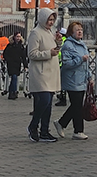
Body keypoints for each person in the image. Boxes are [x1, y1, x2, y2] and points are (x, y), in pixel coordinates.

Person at [54, 21, 92, 140]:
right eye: (77, 30)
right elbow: (66, 63)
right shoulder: (68, 45)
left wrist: (89, 77)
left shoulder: (83, 45)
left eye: (81, 29)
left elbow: (86, 64)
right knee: (77, 105)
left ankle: (63, 124)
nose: (80, 31)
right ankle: (78, 130)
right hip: (72, 79)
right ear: (71, 32)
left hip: (81, 79)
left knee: (77, 105)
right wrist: (80, 59)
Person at [26, 8, 60, 142]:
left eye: (52, 20)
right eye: (49, 20)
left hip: (50, 72)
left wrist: (58, 43)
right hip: (41, 73)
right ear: (42, 19)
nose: (51, 22)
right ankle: (33, 125)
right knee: (44, 100)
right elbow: (32, 54)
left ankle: (44, 131)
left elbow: (54, 49)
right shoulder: (36, 33)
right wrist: (48, 53)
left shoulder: (49, 32)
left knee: (49, 103)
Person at [3, 32, 27, 99]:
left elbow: (23, 56)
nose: (18, 38)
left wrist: (25, 65)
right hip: (11, 64)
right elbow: (5, 54)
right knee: (14, 77)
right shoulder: (10, 45)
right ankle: (13, 92)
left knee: (15, 78)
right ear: (14, 37)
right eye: (17, 36)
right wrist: (8, 60)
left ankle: (11, 91)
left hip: (17, 64)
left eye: (19, 36)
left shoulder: (21, 46)